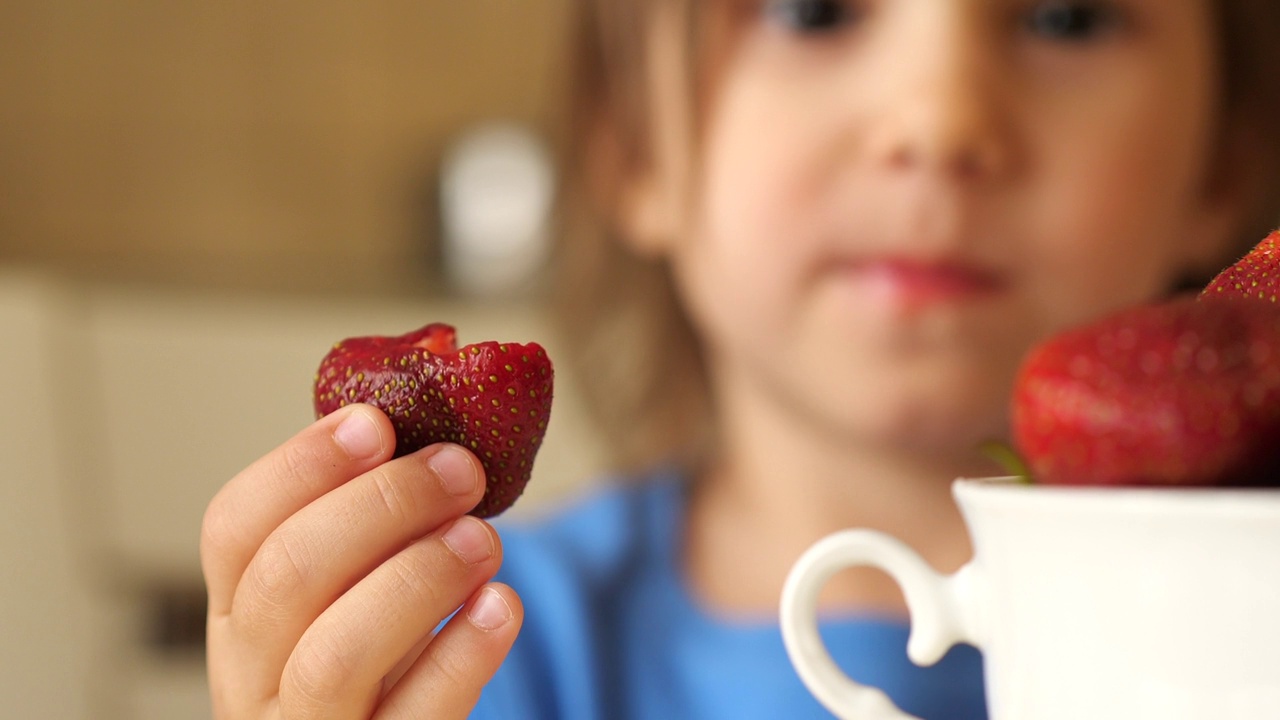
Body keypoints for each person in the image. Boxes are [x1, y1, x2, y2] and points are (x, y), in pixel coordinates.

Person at [200, 1, 1280, 718]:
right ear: (630, 139)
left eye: (1065, 14)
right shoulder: (465, 647)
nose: (938, 118)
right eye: (810, 8)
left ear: (1224, 157)